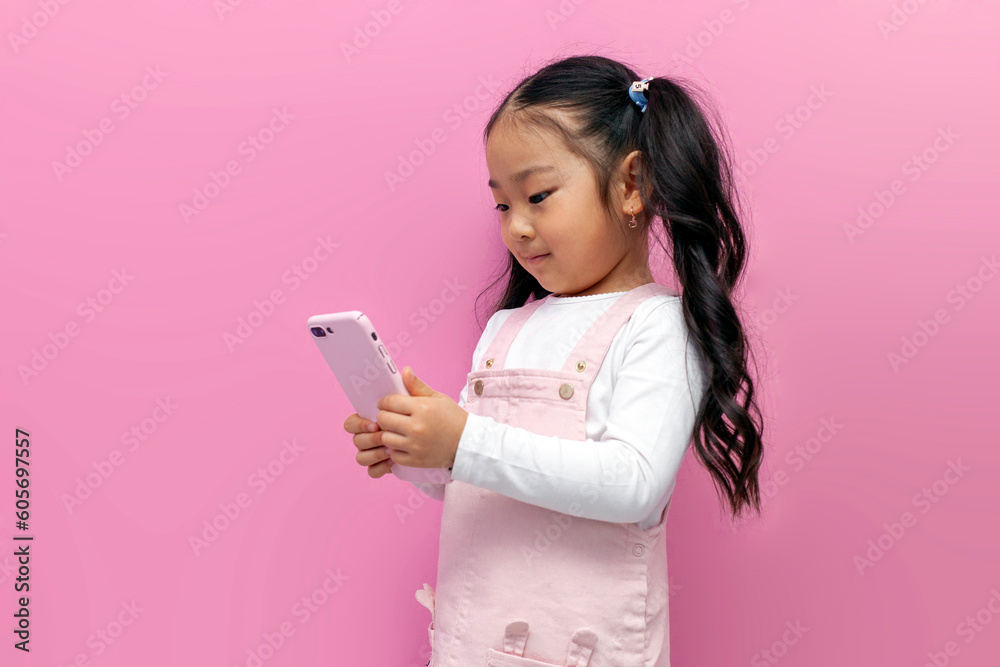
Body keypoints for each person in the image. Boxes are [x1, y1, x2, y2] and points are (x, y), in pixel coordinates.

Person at [342, 54, 764, 667]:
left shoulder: (657, 327)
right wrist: (420, 451)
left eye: (538, 196)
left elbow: (634, 484)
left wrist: (465, 443)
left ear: (631, 186)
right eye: (502, 206)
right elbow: (483, 482)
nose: (516, 227)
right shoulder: (506, 327)